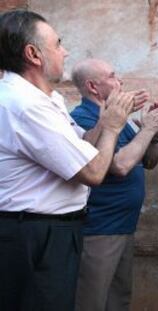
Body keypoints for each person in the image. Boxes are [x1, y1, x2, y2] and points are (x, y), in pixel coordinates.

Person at [0, 10, 135, 311]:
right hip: (34, 234)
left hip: (48, 231)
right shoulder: (26, 106)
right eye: (58, 44)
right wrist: (113, 125)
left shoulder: (46, 99)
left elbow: (82, 145)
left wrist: (106, 116)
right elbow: (93, 171)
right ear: (33, 54)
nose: (65, 51)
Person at [70, 58, 158, 311]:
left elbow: (148, 161)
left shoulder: (119, 119)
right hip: (99, 229)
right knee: (91, 301)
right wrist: (146, 131)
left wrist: (155, 136)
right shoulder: (83, 118)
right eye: (113, 76)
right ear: (93, 86)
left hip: (123, 226)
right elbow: (119, 166)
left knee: (118, 299)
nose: (120, 81)